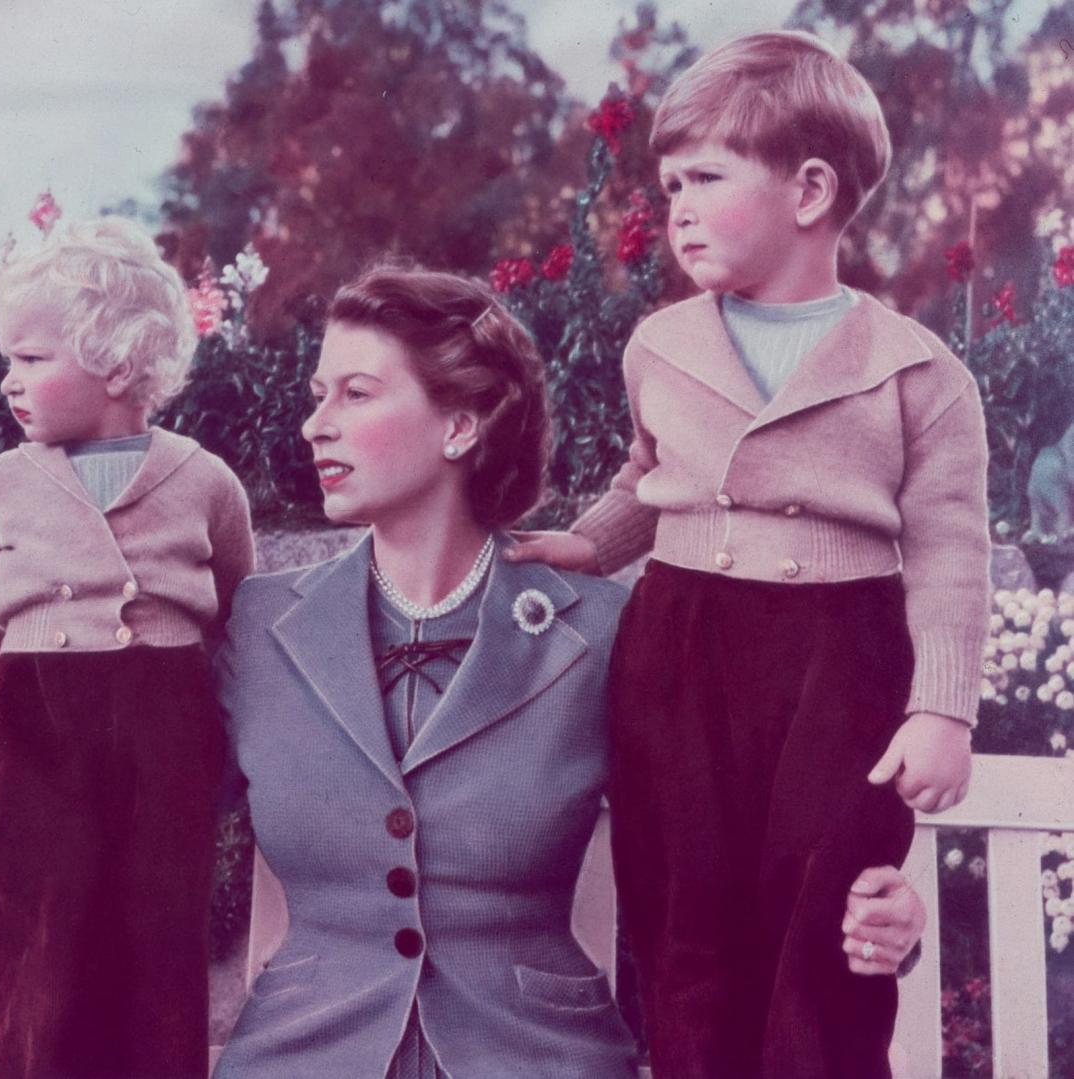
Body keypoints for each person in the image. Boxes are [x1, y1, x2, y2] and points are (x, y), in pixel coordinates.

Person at [213, 264, 928, 1078]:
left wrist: (882, 922)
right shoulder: (261, 627)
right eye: (318, 393)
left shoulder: (598, 632)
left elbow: (738, 856)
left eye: (357, 393)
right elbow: (145, 844)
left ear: (461, 425)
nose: (316, 425)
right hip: (302, 1056)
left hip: (536, 1055)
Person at [505, 30, 990, 1078]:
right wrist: (589, 544)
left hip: (843, 662)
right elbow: (648, 475)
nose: (675, 204)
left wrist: (943, 709)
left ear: (809, 189)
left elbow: (951, 544)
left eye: (706, 177)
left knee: (828, 923)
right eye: (669, 180)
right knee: (685, 918)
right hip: (681, 650)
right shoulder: (661, 347)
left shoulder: (918, 370)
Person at [0, 217, 255, 1079]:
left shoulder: (208, 482)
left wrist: (246, 734)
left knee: (158, 937)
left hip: (168, 735)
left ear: (114, 360)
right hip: (39, 733)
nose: (8, 381)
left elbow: (241, 626)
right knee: (44, 938)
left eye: (31, 359)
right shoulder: (2, 485)